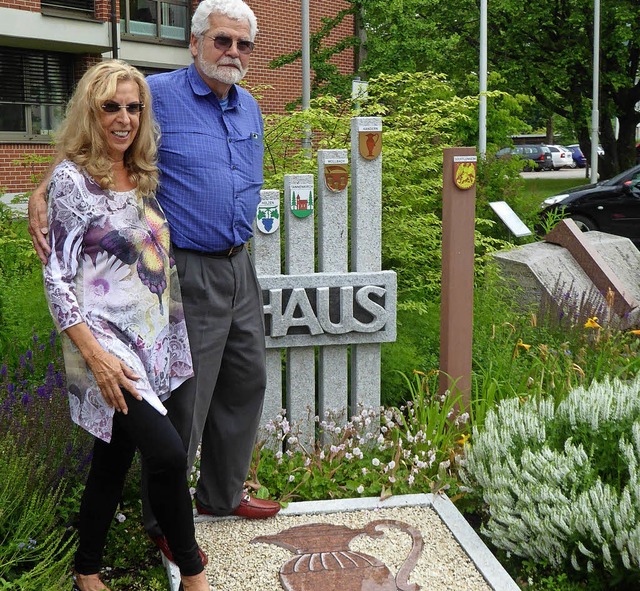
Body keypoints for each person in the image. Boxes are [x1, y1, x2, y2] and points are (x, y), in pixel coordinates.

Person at [29, 0, 280, 562]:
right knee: (186, 398)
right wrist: (43, 191)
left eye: (243, 45)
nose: (232, 53)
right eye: (221, 40)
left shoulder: (251, 109)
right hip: (183, 266)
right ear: (194, 43)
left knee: (246, 381)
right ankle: (165, 520)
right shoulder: (157, 95)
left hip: (241, 263)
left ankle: (222, 493)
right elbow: (94, 133)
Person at [41, 60, 210, 591]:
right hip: (107, 347)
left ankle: (86, 571)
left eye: (133, 107)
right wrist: (94, 356)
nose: (124, 117)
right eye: (111, 106)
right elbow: (57, 281)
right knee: (165, 452)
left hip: (151, 338)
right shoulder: (72, 181)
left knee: (111, 461)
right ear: (91, 110)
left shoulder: (139, 172)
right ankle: (195, 573)